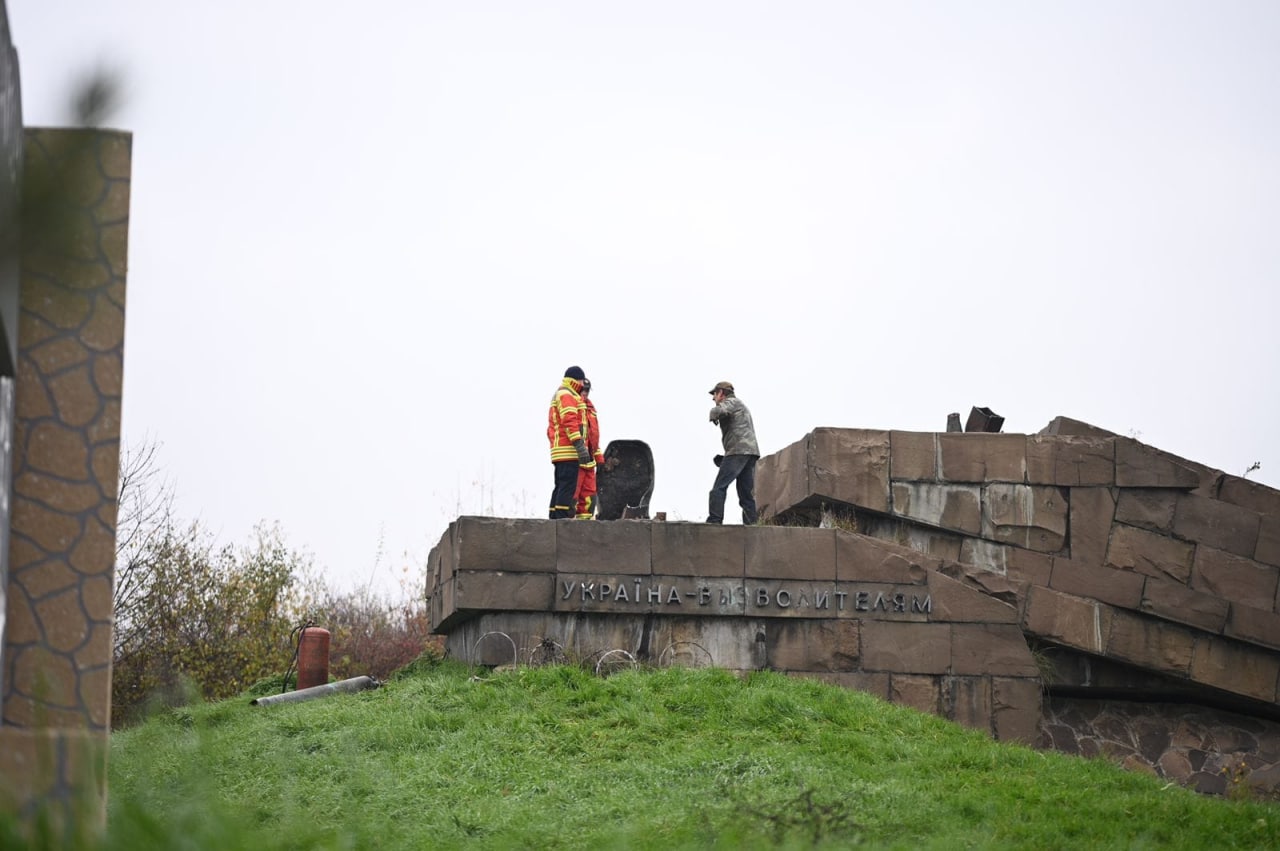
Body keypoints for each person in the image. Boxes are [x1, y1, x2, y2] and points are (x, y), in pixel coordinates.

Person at [707, 380, 759, 524]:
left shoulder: (732, 402)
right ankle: (751, 525)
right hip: (749, 453)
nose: (713, 398)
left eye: (715, 394)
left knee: (718, 488)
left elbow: (720, 410)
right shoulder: (740, 406)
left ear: (721, 393)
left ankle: (714, 521)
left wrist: (713, 414)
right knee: (745, 494)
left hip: (738, 451)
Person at [547, 366, 592, 519]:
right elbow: (570, 421)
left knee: (560, 486)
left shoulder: (563, 393)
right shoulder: (567, 394)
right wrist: (580, 446)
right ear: (577, 379)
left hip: (561, 451)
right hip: (568, 450)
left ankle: (553, 519)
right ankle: (561, 520)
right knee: (567, 487)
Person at [574, 378, 606, 519]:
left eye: (587, 391)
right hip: (576, 460)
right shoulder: (572, 405)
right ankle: (567, 528)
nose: (585, 393)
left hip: (589, 462)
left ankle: (584, 531)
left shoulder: (590, 409)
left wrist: (599, 458)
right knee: (573, 496)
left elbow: (593, 437)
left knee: (589, 498)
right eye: (583, 390)